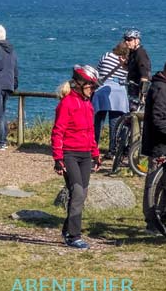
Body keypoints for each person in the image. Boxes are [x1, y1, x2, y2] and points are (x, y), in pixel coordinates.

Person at [51, 65, 101, 249]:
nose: (93, 90)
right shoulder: (67, 104)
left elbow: (90, 132)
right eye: (91, 86)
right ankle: (74, 236)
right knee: (77, 193)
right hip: (70, 154)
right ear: (80, 84)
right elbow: (57, 132)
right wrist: (58, 158)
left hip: (85, 155)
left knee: (81, 194)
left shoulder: (88, 104)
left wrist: (96, 154)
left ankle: (67, 229)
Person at [140, 56, 166, 233]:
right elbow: (159, 120)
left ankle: (164, 217)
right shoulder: (162, 89)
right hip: (160, 144)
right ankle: (153, 222)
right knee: (156, 186)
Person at [92, 41, 129, 159]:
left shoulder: (107, 56)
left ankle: (93, 147)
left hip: (102, 91)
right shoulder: (126, 62)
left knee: (98, 122)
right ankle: (112, 150)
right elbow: (127, 77)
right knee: (115, 123)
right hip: (119, 94)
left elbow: (97, 72)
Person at [0, 24, 19, 150]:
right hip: (8, 84)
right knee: (2, 111)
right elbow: (15, 68)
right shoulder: (12, 50)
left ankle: (1, 141)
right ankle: (2, 139)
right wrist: (14, 83)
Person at [123, 29, 151, 103]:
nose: (126, 42)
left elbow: (145, 76)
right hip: (132, 91)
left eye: (129, 40)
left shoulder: (140, 53)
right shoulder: (132, 53)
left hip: (138, 95)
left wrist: (142, 96)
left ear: (137, 41)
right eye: (125, 39)